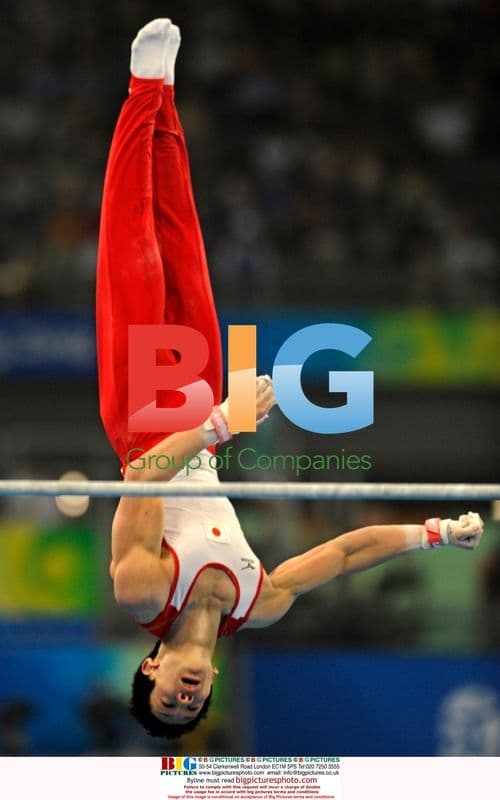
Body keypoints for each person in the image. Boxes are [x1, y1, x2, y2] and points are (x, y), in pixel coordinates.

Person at [96, 19, 484, 740]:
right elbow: (343, 554)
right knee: (184, 243)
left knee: (136, 248)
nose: (184, 697)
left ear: (149, 669)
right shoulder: (260, 602)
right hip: (207, 427)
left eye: (166, 699)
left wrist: (219, 422)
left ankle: (139, 90)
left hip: (148, 422)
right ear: (210, 685)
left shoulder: (141, 591)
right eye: (192, 705)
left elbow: (145, 476)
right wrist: (430, 534)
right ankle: (166, 99)